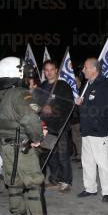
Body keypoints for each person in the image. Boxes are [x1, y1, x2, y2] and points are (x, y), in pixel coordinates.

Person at [0, 57, 63, 215]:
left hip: (6, 147)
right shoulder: (20, 94)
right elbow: (31, 119)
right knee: (34, 185)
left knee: (14, 185)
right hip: (22, 148)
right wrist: (37, 138)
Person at [75, 58, 108, 202]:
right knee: (87, 161)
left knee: (102, 163)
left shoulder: (105, 85)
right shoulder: (87, 84)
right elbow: (86, 106)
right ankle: (90, 188)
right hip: (86, 129)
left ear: (94, 69)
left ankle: (107, 191)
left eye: (85, 68)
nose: (83, 70)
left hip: (99, 131)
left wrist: (100, 121)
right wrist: (80, 104)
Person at [34, 60, 74, 192]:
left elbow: (69, 105)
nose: (49, 72)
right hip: (46, 126)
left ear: (56, 70)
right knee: (49, 155)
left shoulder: (63, 86)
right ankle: (55, 179)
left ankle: (66, 181)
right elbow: (37, 102)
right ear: (43, 72)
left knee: (63, 154)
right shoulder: (43, 85)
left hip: (60, 126)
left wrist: (53, 109)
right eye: (46, 70)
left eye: (51, 69)